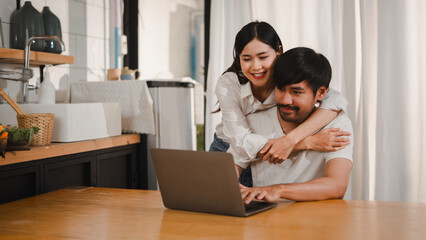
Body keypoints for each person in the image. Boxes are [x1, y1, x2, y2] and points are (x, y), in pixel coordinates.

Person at [209, 21, 350, 186]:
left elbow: (335, 100)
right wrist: (305, 142)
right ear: (238, 58)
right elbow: (240, 145)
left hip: (268, 152)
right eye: (246, 59)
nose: (256, 66)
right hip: (228, 149)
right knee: (213, 200)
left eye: (263, 57)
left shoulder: (286, 75)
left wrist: (289, 140)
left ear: (278, 52)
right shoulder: (229, 85)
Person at [228, 47, 353, 203]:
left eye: (296, 92)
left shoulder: (337, 124)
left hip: (317, 221)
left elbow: (337, 185)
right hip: (265, 219)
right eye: (280, 88)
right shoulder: (254, 121)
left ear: (321, 93)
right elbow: (228, 172)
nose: (285, 100)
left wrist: (277, 190)